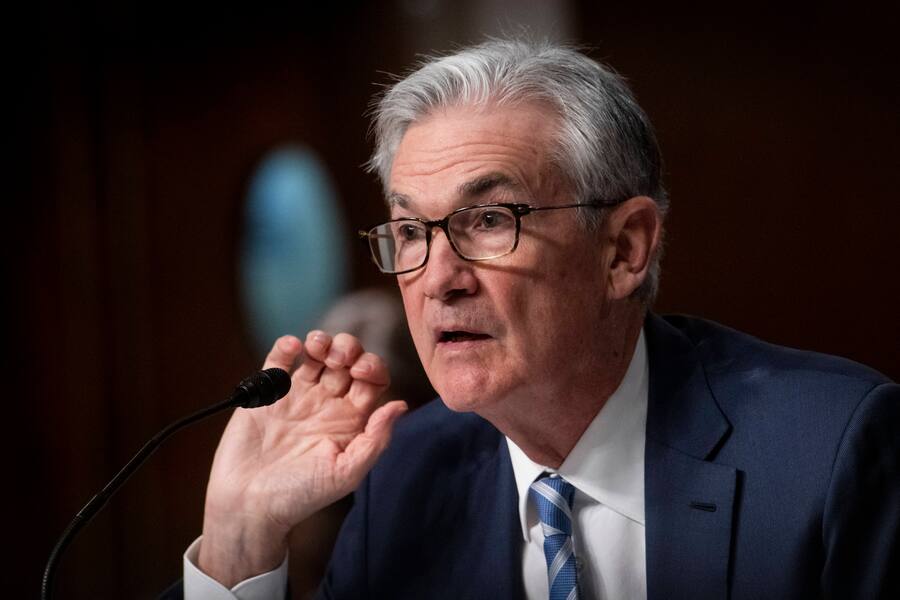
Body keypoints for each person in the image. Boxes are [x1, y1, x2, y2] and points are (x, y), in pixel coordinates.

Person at [173, 38, 899, 599]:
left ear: (624, 248)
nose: (438, 281)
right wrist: (242, 529)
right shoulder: (406, 479)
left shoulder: (830, 454)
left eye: (489, 219)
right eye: (413, 232)